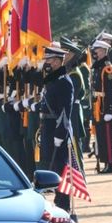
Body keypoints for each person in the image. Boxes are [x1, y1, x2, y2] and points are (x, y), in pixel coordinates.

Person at [38, 46, 76, 212]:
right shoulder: (52, 80)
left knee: (60, 167)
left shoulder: (64, 82)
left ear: (60, 61)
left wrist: (60, 133)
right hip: (48, 126)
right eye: (47, 59)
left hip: (57, 129)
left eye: (52, 60)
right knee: (51, 166)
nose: (48, 63)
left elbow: (65, 111)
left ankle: (63, 203)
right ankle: (58, 200)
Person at [91, 39, 112, 173]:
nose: (95, 52)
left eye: (97, 50)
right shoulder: (98, 66)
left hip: (105, 106)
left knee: (107, 136)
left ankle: (110, 163)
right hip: (97, 105)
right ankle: (104, 162)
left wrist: (109, 110)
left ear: (103, 51)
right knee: (100, 136)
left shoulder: (107, 68)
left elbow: (110, 91)